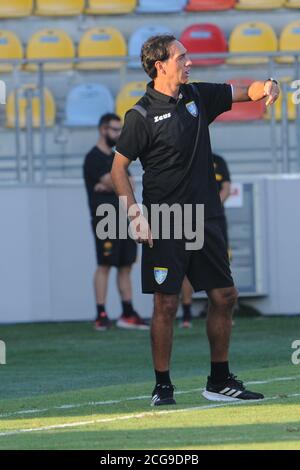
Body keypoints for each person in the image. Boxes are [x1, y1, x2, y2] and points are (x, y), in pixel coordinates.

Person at [111, 35, 279, 405]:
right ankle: (163, 386)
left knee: (225, 295)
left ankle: (219, 382)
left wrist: (268, 85)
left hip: (206, 218)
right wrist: (135, 214)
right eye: (182, 57)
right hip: (165, 220)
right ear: (161, 65)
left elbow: (245, 91)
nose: (189, 62)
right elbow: (119, 167)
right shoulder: (139, 115)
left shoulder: (197, 96)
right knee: (166, 305)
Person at [83, 113, 149, 331]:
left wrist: (114, 183)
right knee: (104, 265)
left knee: (126, 266)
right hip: (105, 217)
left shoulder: (116, 158)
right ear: (103, 130)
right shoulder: (93, 158)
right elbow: (117, 181)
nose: (118, 134)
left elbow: (129, 182)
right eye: (114, 129)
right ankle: (101, 313)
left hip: (124, 216)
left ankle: (128, 312)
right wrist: (116, 183)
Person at [180, 153, 232, 328]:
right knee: (187, 266)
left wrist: (211, 207)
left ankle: (223, 312)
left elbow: (226, 187)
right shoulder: (184, 157)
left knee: (222, 265)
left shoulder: (218, 160)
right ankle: (187, 314)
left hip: (214, 220)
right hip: (190, 219)